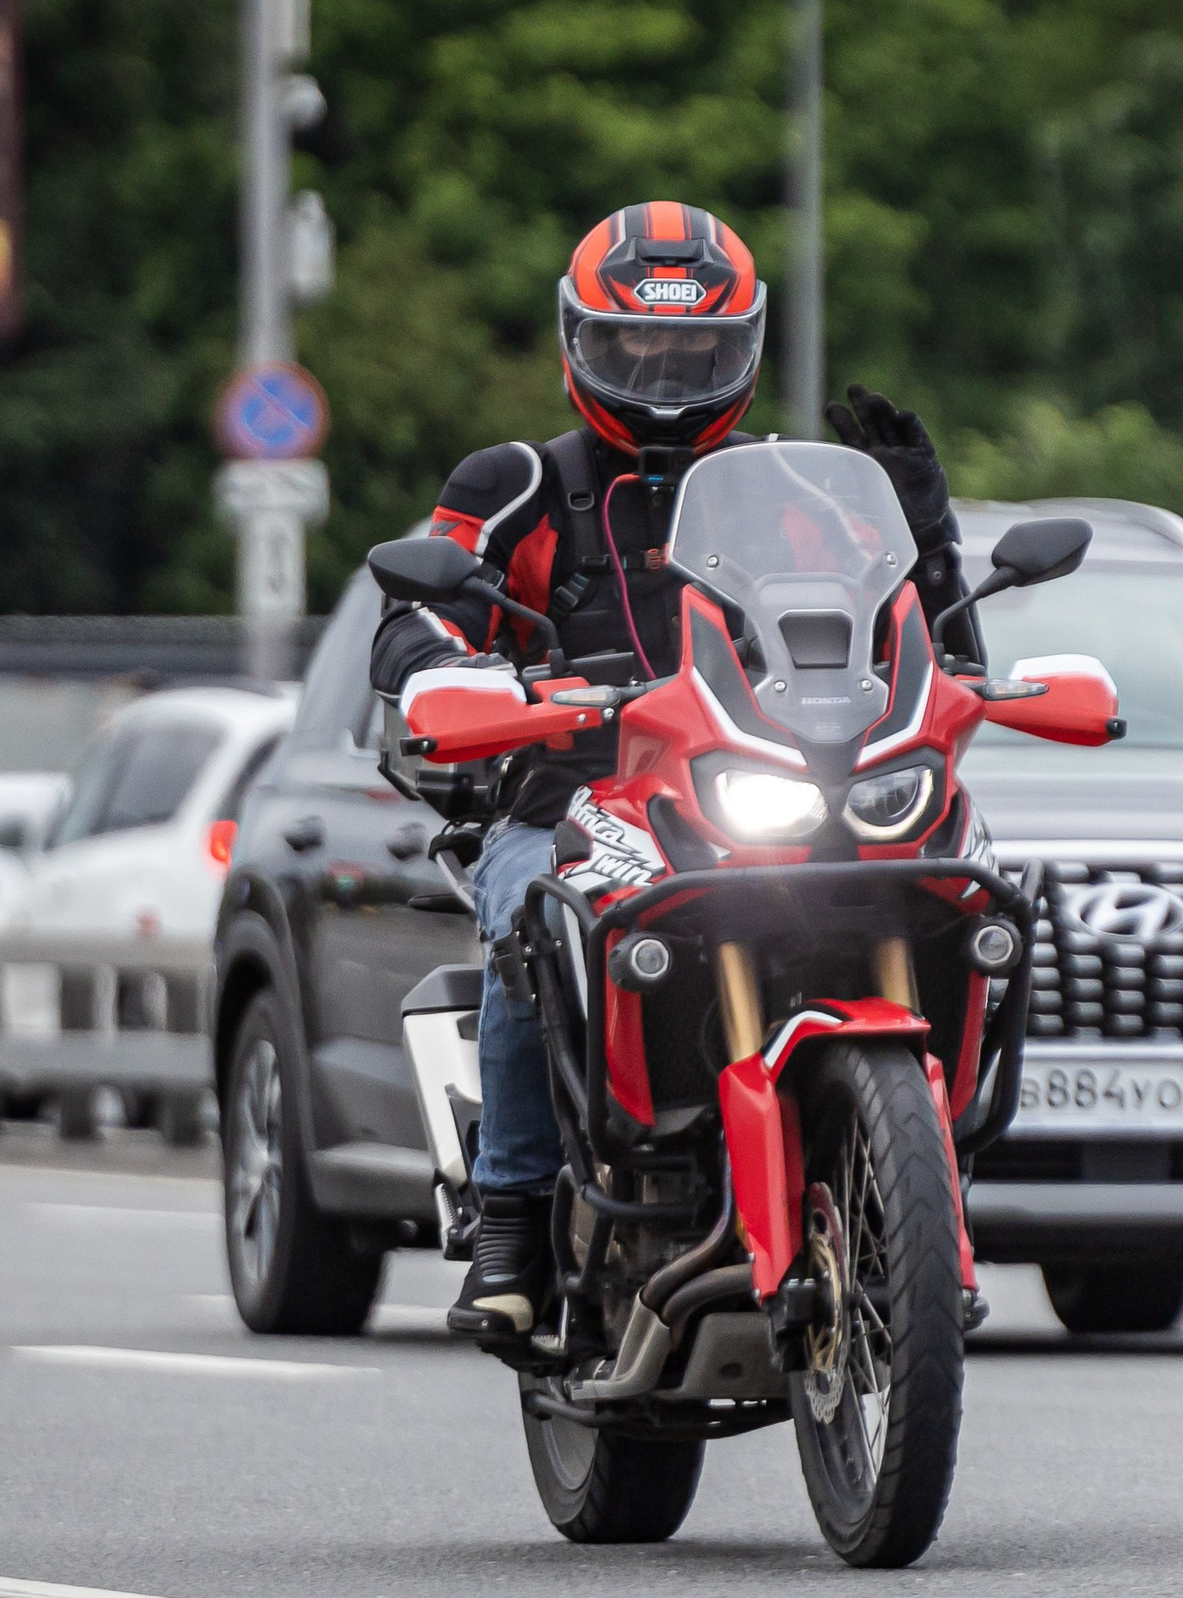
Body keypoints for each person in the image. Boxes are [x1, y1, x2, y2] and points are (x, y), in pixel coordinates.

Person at [368, 201, 981, 1340]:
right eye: (634, 344)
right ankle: (511, 1218)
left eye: (692, 350)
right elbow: (416, 613)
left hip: (747, 785)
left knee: (959, 888)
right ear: (579, 340)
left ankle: (912, 1175)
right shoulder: (516, 483)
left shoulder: (792, 492)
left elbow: (926, 643)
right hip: (570, 796)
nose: (660, 372)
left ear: (741, 348)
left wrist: (929, 536)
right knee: (535, 920)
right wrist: (452, 672)